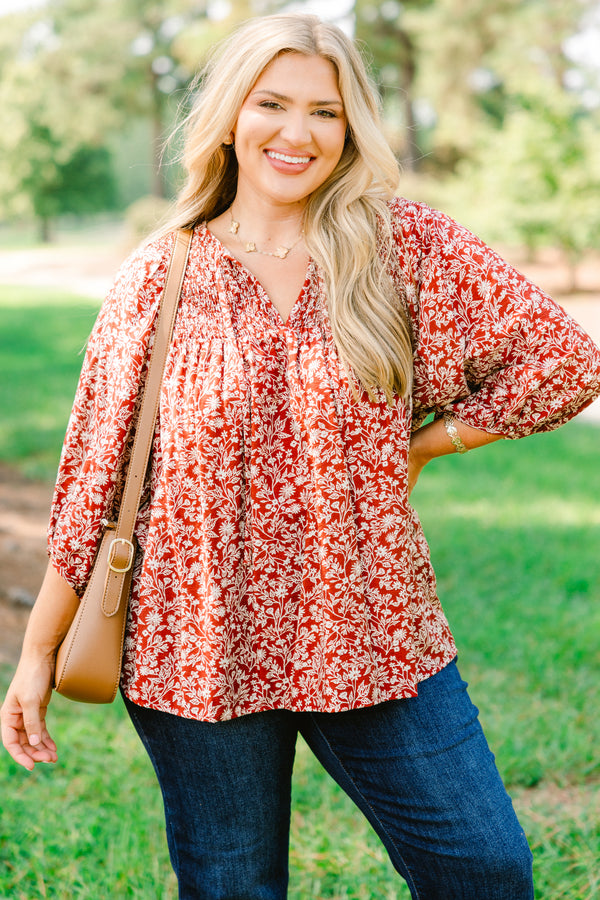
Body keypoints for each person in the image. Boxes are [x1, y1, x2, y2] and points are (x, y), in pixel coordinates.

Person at [2, 12, 600, 900]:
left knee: (485, 867)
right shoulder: (160, 274)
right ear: (232, 114)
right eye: (272, 103)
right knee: (233, 889)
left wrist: (428, 446)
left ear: (351, 127)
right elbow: (93, 477)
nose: (297, 132)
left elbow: (565, 362)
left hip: (372, 625)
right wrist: (38, 649)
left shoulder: (403, 247)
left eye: (325, 112)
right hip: (195, 639)